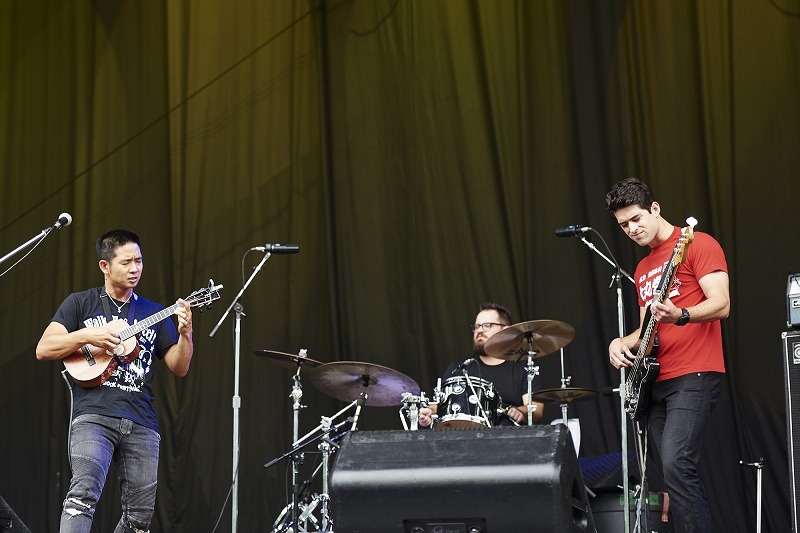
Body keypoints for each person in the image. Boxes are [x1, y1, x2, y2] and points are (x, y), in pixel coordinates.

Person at [35, 230, 194, 532]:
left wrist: (185, 334)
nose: (135, 269)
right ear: (105, 266)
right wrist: (86, 335)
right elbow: (44, 349)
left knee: (139, 519)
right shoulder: (79, 303)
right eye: (126, 262)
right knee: (81, 497)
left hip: (142, 421)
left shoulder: (155, 312)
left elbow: (179, 366)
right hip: (94, 416)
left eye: (139, 261)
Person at [606, 178, 729, 532]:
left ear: (654, 208)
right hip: (654, 380)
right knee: (671, 475)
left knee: (677, 464)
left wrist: (683, 315)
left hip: (695, 374)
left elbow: (722, 303)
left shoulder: (697, 244)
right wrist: (621, 342)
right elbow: (648, 326)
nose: (632, 229)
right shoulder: (643, 268)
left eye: (636, 219)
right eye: (624, 225)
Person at [419, 302, 544, 428]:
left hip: (508, 437)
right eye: (477, 326)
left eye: (487, 325)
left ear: (506, 329)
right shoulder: (461, 366)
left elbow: (537, 408)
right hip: (465, 437)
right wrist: (429, 412)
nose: (479, 330)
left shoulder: (522, 367)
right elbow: (442, 404)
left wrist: (521, 411)